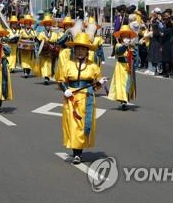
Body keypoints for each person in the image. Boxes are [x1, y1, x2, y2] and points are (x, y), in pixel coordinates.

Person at [59, 32, 105, 164]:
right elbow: (61, 80)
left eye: (83, 49)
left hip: (87, 97)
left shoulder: (93, 66)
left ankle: (80, 149)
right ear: (74, 50)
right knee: (73, 125)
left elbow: (96, 84)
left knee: (84, 125)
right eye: (77, 49)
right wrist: (65, 89)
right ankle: (76, 153)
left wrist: (100, 84)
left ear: (87, 51)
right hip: (71, 97)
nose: (80, 51)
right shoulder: (68, 64)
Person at [108, 25, 137, 110]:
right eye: (123, 35)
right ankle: (123, 100)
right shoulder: (118, 45)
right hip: (120, 67)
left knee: (128, 83)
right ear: (120, 36)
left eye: (127, 35)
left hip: (129, 67)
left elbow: (134, 56)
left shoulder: (131, 46)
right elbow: (119, 52)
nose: (125, 37)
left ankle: (126, 98)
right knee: (121, 84)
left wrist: (133, 51)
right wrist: (125, 45)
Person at [36, 15, 59, 85]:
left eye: (49, 25)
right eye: (46, 25)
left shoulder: (54, 34)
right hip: (44, 51)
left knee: (49, 64)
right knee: (44, 63)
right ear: (44, 26)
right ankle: (46, 76)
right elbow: (39, 41)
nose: (48, 26)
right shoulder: (42, 33)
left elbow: (56, 42)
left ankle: (47, 76)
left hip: (51, 52)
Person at [55, 16, 76, 81]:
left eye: (69, 25)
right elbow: (59, 42)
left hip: (72, 52)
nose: (68, 27)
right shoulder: (61, 33)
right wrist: (66, 35)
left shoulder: (74, 34)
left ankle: (70, 79)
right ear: (64, 26)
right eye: (66, 25)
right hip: (63, 52)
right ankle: (63, 80)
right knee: (63, 66)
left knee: (71, 66)